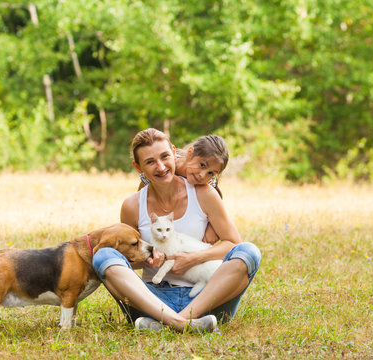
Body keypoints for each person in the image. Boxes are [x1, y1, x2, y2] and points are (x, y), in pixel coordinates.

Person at [93, 128, 261, 332]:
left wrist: (194, 258)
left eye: (165, 156)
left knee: (250, 252)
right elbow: (128, 261)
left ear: (174, 152)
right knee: (103, 256)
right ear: (138, 167)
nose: (161, 166)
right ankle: (184, 324)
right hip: (154, 299)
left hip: (204, 297)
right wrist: (147, 259)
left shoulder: (204, 193)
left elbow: (233, 244)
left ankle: (170, 323)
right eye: (150, 162)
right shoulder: (132, 205)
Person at [138, 134, 228, 199]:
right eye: (202, 165)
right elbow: (140, 200)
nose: (202, 175)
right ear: (190, 153)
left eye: (210, 173)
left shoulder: (209, 184)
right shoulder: (165, 166)